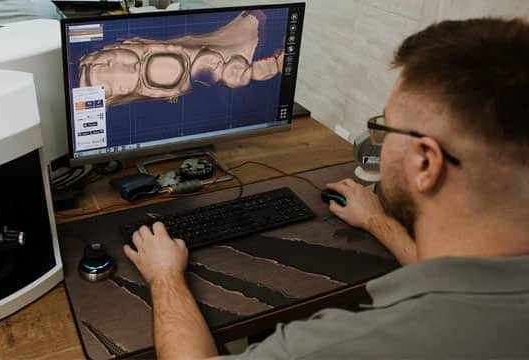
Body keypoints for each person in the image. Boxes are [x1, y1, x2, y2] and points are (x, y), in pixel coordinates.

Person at [124, 17, 529, 359]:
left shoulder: (342, 345)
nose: (378, 143)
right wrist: (377, 222)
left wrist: (164, 277)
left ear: (425, 163)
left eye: (385, 127)